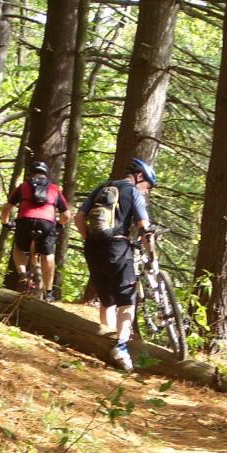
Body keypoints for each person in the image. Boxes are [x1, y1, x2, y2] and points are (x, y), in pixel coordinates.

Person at [75, 157, 154, 372]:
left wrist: (88, 240)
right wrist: (152, 256)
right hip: (118, 249)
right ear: (139, 177)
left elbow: (79, 218)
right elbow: (144, 227)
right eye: (147, 185)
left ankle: (105, 340)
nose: (147, 191)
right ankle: (120, 348)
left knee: (106, 299)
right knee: (127, 300)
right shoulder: (133, 193)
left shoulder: (102, 186)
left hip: (93, 248)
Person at [0, 161, 70, 302]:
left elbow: (7, 209)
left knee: (19, 248)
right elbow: (67, 215)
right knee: (48, 254)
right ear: (46, 174)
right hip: (46, 223)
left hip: (25, 221)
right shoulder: (54, 189)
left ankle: (23, 274)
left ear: (31, 173)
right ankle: (49, 292)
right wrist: (59, 226)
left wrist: (6, 223)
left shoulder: (23, 186)